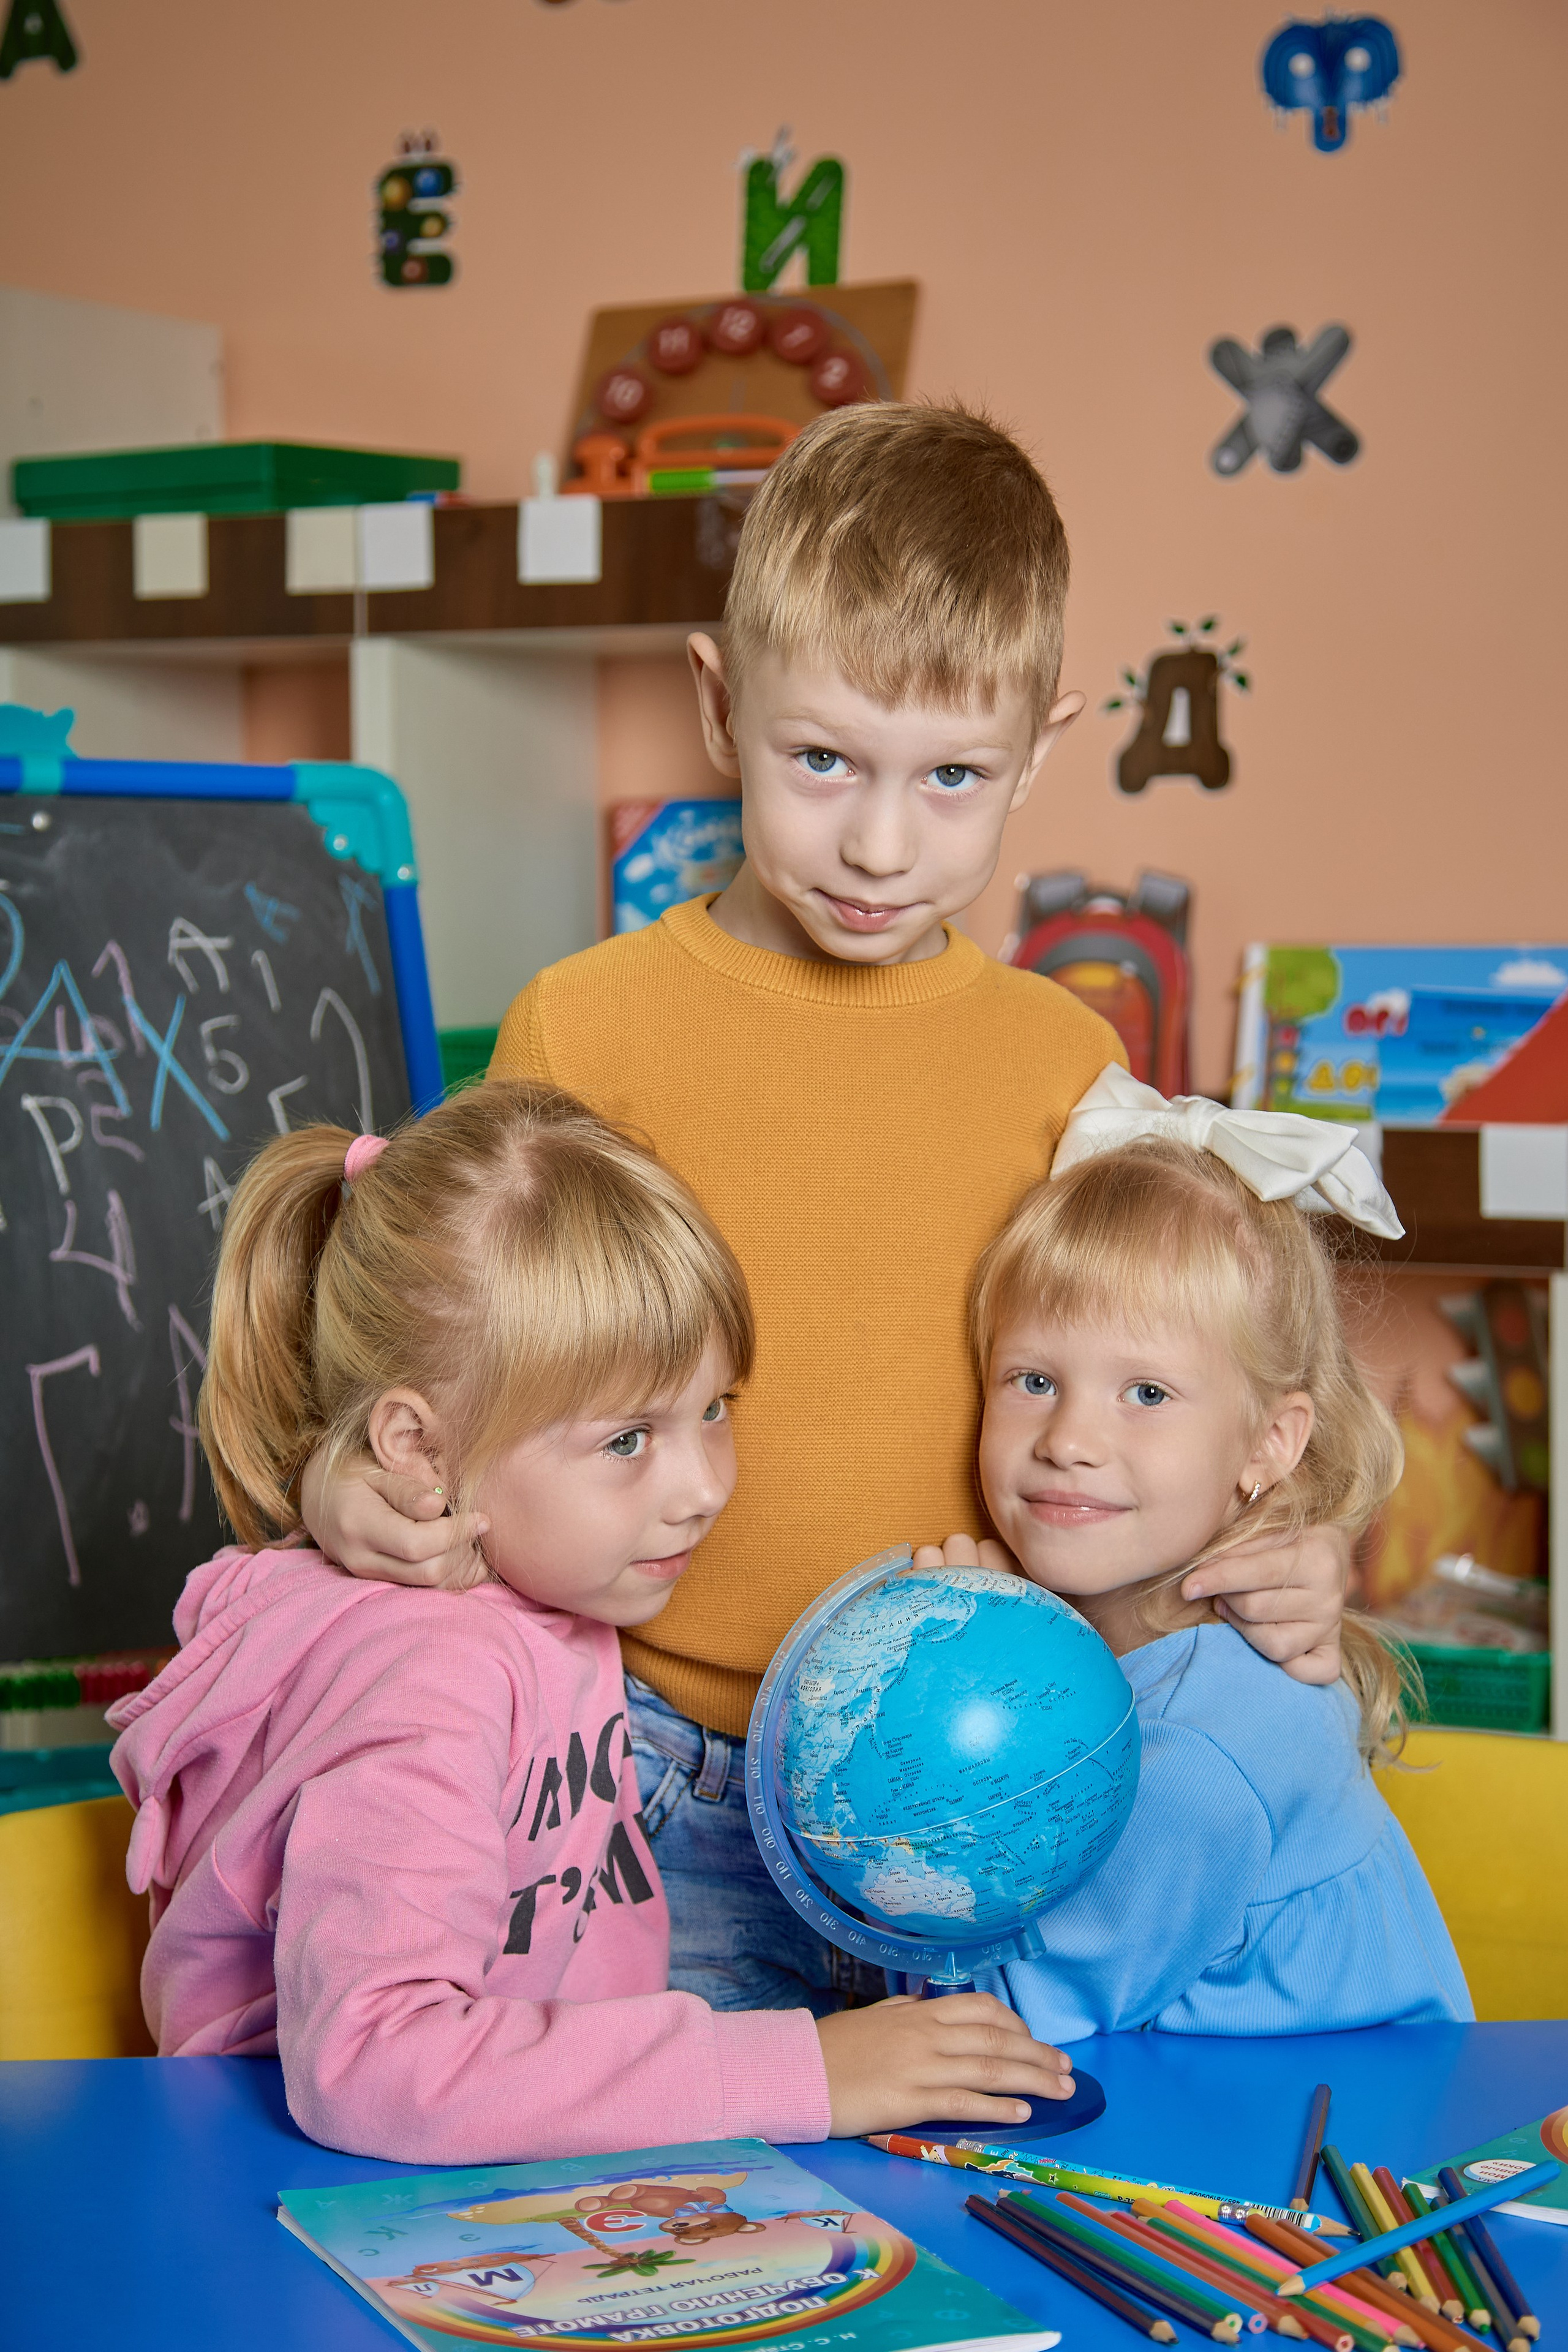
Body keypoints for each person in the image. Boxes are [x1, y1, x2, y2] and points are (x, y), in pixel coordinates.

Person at [300, 402, 1353, 2018]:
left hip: (986, 1773)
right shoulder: (586, 1030)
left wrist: (1278, 1554)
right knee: (672, 2216)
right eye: (822, 762)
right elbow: (458, 1364)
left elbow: (1160, 1397)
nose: (877, 841)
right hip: (633, 1773)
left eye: (953, 779)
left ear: (1044, 752)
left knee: (958, 2211)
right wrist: (355, 1493)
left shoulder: (1071, 1063)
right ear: (719, 708)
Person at [107, 1084, 1076, 2165]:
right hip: (304, 2198)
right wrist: (803, 2069)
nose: (703, 1486)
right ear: (418, 1451)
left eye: (714, 1410)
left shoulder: (548, 1584)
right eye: (628, 1440)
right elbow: (375, 2067)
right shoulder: (432, 1678)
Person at [919, 1065, 1472, 2037]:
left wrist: (937, 1713)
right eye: (1034, 1379)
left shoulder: (1199, 1754)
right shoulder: (1135, 1647)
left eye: (1148, 1394)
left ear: (1270, 1443)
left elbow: (1010, 2028)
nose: (1070, 1440)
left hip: (1318, 2167)